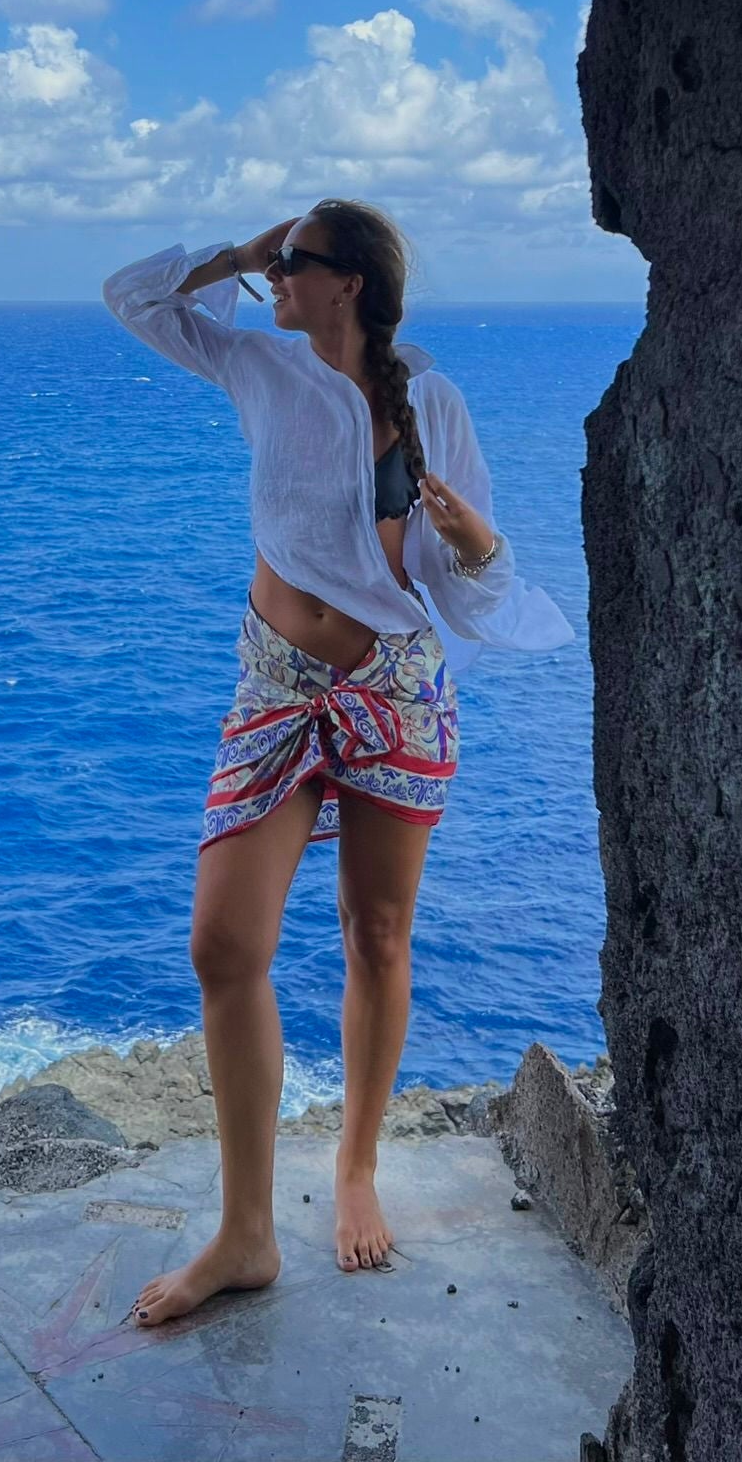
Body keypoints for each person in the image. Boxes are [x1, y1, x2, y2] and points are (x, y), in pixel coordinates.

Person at [101, 198, 573, 1328]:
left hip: (393, 690)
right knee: (224, 945)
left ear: (348, 283)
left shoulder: (432, 402)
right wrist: (238, 254)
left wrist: (475, 546)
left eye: (294, 263)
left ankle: (355, 1166)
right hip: (275, 687)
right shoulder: (261, 369)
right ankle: (246, 1234)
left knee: (376, 933)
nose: (274, 281)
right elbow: (132, 297)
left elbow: (474, 585)